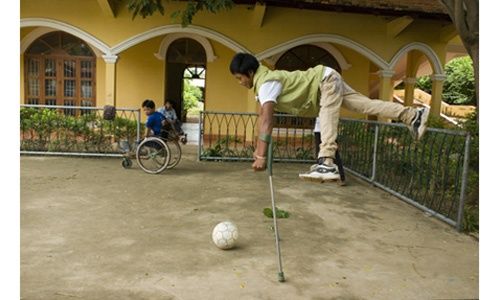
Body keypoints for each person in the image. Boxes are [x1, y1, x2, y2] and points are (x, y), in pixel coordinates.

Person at [229, 52, 429, 182]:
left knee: (326, 114)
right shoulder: (264, 83)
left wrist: (261, 155)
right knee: (365, 105)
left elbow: (267, 120)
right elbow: (263, 118)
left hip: (324, 81)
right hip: (326, 80)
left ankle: (327, 163)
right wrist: (258, 151)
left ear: (249, 72)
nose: (239, 82)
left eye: (239, 78)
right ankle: (413, 115)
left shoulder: (266, 83)